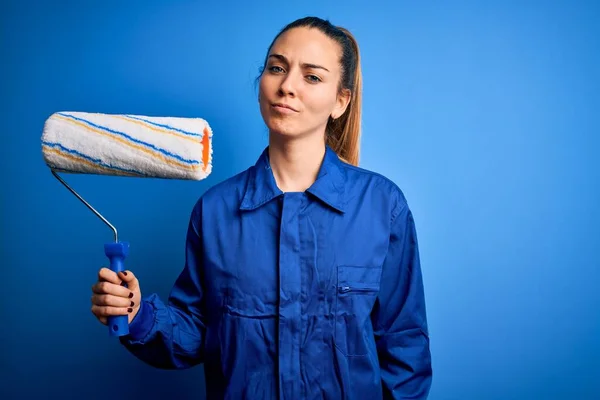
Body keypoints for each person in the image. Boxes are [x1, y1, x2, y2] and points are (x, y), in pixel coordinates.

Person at [90, 16, 432, 399]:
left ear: (341, 101)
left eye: (312, 77)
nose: (287, 86)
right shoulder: (215, 211)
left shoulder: (382, 207)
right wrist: (137, 314)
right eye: (276, 68)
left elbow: (405, 350)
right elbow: (196, 332)